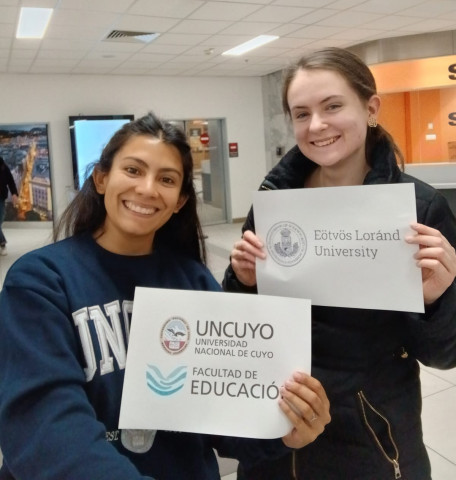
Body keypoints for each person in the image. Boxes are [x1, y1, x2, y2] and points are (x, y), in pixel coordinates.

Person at [0, 112, 330, 480]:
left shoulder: (192, 280)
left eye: (167, 179)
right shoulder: (41, 281)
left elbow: (220, 422)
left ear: (179, 200)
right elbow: (45, 428)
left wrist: (284, 429)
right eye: (133, 170)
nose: (147, 189)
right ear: (101, 178)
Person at [223, 47, 456, 480]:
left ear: (370, 108)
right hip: (278, 419)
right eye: (301, 113)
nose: (317, 126)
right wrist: (242, 281)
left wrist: (438, 300)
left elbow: (444, 355)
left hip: (370, 430)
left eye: (332, 106)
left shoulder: (419, 209)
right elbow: (242, 328)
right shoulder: (275, 205)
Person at [0, 156, 18, 256]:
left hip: (0, 197)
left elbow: (10, 180)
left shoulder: (2, 166)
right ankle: (2, 243)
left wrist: (14, 193)